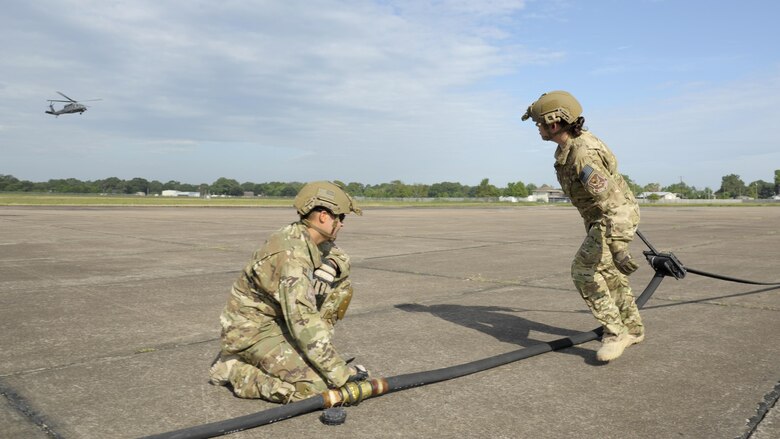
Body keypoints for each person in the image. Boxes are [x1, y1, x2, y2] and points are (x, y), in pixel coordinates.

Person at [208, 181, 369, 402]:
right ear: (323, 216)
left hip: (277, 322)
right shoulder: (291, 256)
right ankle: (233, 369)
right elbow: (302, 321)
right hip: (252, 334)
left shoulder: (306, 236)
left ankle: (311, 355)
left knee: (341, 287)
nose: (341, 224)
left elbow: (342, 257)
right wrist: (341, 375)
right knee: (316, 388)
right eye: (340, 217)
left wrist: (330, 267)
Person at [522, 90, 644, 362]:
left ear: (554, 124)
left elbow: (614, 203)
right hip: (599, 218)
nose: (537, 129)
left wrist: (618, 244)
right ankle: (633, 329)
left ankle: (615, 332)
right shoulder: (567, 148)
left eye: (539, 124)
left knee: (583, 272)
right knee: (609, 276)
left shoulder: (582, 154)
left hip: (611, 219)